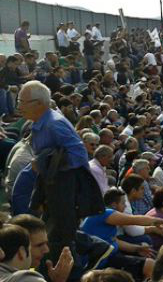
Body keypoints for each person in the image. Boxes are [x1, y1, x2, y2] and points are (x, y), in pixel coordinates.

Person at [18, 81, 104, 269]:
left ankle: (79, 263)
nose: (19, 106)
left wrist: (50, 164)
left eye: (22, 101)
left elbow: (79, 154)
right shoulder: (40, 122)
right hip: (50, 184)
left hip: (63, 186)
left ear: (39, 103)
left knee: (61, 235)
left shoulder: (54, 124)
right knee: (51, 229)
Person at [0, 223, 73, 282]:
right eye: (39, 245)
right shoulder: (26, 279)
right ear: (21, 252)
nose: (46, 250)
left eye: (46, 243)